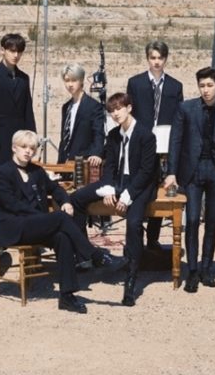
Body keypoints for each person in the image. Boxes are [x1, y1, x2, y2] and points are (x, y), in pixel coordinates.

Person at [0, 130, 113, 314]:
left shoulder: (36, 171)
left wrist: (65, 201)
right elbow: (12, 205)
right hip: (15, 227)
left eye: (32, 148)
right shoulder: (2, 173)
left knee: (63, 237)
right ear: (14, 148)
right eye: (23, 147)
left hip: (36, 225)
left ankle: (67, 296)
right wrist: (42, 217)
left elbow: (56, 188)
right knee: (60, 218)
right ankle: (94, 255)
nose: (28, 151)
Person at [71, 93, 157, 307]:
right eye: (111, 111)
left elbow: (146, 172)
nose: (115, 114)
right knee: (76, 199)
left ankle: (131, 279)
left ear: (129, 108)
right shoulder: (113, 135)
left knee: (134, 223)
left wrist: (127, 196)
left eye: (119, 108)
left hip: (139, 184)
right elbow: (109, 166)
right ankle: (87, 254)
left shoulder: (146, 135)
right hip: (117, 181)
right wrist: (108, 189)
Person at [164, 67, 215, 293]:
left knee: (212, 221)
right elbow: (175, 141)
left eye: (210, 85)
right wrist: (172, 172)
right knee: (192, 220)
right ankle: (192, 270)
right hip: (191, 172)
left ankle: (206, 268)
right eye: (202, 86)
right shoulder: (185, 108)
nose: (206, 90)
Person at [126, 40, 183, 250]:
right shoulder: (135, 83)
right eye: (153, 58)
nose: (156, 62)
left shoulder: (175, 86)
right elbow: (130, 114)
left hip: (165, 146)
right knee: (140, 187)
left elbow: (178, 117)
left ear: (165, 59)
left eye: (160, 58)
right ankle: (135, 239)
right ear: (147, 58)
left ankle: (153, 238)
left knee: (160, 190)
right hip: (142, 145)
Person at [0, 33, 36, 171]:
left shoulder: (24, 78)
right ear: (3, 50)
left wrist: (32, 139)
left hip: (21, 139)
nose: (16, 55)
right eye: (12, 51)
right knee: (1, 176)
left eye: (19, 52)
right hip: (0, 138)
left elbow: (28, 111)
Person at [57, 63, 105, 166]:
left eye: (74, 80)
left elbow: (98, 133)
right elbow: (64, 138)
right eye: (67, 80)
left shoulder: (93, 106)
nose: (70, 84)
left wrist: (96, 153)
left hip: (84, 161)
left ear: (81, 80)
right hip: (65, 163)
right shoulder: (66, 107)